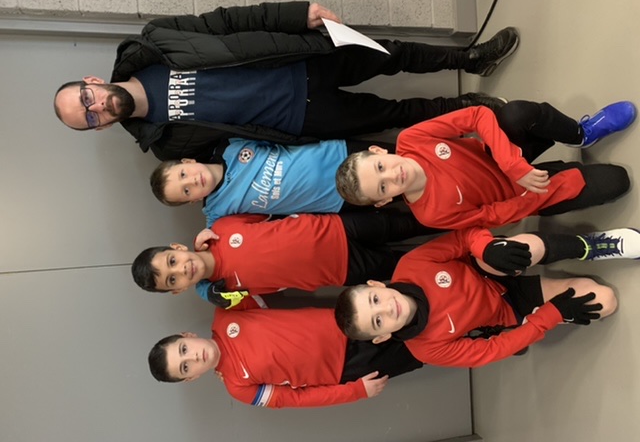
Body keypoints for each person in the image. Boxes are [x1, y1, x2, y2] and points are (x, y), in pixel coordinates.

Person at [53, 1, 518, 161]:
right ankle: (467, 109)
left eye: (86, 98)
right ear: (99, 128)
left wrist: (297, 14)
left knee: (392, 55)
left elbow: (226, 22)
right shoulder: (165, 145)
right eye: (89, 118)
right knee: (393, 115)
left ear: (92, 81)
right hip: (302, 120)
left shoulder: (154, 41)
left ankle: (472, 58)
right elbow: (235, 155)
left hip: (300, 60)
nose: (97, 108)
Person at [333, 226, 640, 368]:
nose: (387, 309)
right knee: (604, 300)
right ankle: (556, 306)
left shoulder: (411, 265)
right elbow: (494, 350)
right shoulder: (426, 350)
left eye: (374, 300)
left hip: (488, 268)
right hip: (508, 307)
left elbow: (463, 238)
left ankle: (590, 246)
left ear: (376, 284)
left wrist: (486, 248)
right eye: (377, 321)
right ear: (382, 337)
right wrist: (553, 315)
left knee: (525, 248)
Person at [335, 100, 635, 229]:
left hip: (504, 154)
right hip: (524, 194)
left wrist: (513, 163)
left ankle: (582, 135)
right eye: (383, 187)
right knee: (618, 181)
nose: (392, 175)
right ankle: (564, 177)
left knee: (517, 114)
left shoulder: (411, 139)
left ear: (378, 150)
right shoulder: (430, 215)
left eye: (380, 167)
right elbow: (492, 216)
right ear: (384, 201)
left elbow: (478, 115)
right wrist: (539, 190)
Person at [148, 302, 423, 408]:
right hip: (349, 368)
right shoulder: (238, 387)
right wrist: (355, 392)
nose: (193, 358)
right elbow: (298, 399)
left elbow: (258, 275)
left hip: (350, 323)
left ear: (187, 336)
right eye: (186, 367)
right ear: (192, 378)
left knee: (417, 316)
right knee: (425, 349)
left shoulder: (226, 311)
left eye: (184, 350)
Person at [131, 210, 436, 306]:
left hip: (338, 228)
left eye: (172, 261)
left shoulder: (222, 227)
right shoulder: (225, 292)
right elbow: (230, 302)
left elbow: (274, 210)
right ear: (179, 289)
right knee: (416, 264)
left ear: (177, 247)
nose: (182, 270)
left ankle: (459, 218)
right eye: (173, 279)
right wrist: (210, 292)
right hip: (343, 270)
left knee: (413, 222)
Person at [151, 138, 399, 226]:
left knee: (408, 161)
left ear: (188, 161)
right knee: (406, 193)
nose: (193, 181)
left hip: (340, 154)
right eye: (186, 191)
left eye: (183, 174)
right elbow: (212, 258)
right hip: (340, 199)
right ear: (192, 201)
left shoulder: (230, 144)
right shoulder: (217, 213)